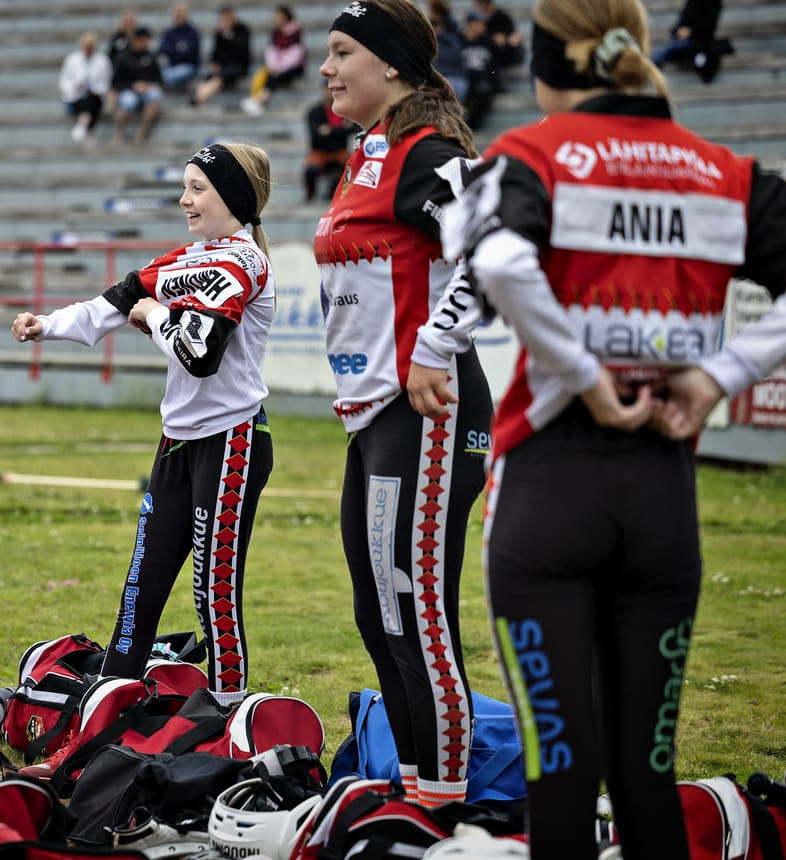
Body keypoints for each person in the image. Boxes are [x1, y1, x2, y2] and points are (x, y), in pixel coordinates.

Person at [440, 0, 786, 854]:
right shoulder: (722, 171)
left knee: (560, 773)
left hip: (549, 492)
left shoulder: (535, 153)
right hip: (664, 493)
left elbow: (499, 260)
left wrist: (587, 377)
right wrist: (716, 377)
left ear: (547, 63)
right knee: (648, 775)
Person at [12, 142, 276, 712]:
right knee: (140, 589)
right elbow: (113, 303)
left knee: (214, 597)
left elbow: (198, 352)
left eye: (197, 188)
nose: (184, 199)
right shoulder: (188, 259)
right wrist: (46, 325)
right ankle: (105, 706)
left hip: (232, 442)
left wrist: (155, 316)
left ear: (232, 195)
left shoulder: (244, 262)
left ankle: (232, 719)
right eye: (184, 187)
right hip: (177, 442)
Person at [315, 0, 492, 809]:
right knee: (376, 610)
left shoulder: (429, 152)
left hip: (428, 408)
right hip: (374, 414)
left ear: (390, 65)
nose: (326, 67)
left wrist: (431, 350)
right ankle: (415, 790)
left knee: (414, 614)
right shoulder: (367, 153)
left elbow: (495, 250)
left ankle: (443, 802)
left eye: (342, 50)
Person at [241, 5, 306, 115]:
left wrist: (280, 67)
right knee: (267, 75)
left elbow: (296, 52)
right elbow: (271, 50)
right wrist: (273, 65)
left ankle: (258, 100)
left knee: (275, 77)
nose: (275, 19)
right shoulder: (275, 32)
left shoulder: (294, 31)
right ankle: (258, 100)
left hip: (294, 66)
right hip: (277, 67)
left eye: (278, 16)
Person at [651, 0, 732, 83]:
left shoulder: (713, 3)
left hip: (700, 41)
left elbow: (708, 26)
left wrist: (690, 32)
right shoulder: (692, 2)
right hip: (683, 42)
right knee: (662, 51)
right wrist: (679, 31)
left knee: (663, 50)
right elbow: (680, 22)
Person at [303, 83, 358, 202]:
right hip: (320, 151)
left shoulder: (344, 110)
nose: (329, 93)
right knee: (310, 171)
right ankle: (310, 195)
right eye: (328, 90)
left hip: (340, 151)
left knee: (352, 166)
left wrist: (329, 131)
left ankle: (334, 195)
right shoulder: (315, 112)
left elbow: (354, 129)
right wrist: (341, 129)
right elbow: (315, 135)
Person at [111, 27, 164, 144]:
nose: (147, 42)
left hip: (147, 90)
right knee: (128, 102)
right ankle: (119, 132)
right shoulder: (123, 58)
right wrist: (133, 86)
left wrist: (149, 86)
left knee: (155, 96)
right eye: (145, 39)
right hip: (129, 90)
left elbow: (160, 79)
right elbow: (116, 82)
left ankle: (141, 132)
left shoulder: (151, 56)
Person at [192, 5, 252, 106]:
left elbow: (241, 51)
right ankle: (196, 97)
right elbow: (215, 53)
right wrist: (215, 64)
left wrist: (228, 35)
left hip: (238, 66)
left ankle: (199, 99)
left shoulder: (243, 30)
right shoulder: (219, 33)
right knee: (208, 77)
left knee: (218, 79)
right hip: (223, 67)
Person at [58, 31, 112, 142]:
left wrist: (94, 88)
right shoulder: (72, 59)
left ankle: (82, 125)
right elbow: (64, 80)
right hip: (76, 96)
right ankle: (89, 131)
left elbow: (106, 81)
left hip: (95, 95)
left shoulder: (102, 60)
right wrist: (74, 86)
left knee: (91, 99)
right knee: (87, 101)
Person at [459, 11, 500, 128]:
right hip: (465, 80)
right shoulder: (458, 40)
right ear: (470, 25)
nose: (483, 26)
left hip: (482, 82)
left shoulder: (488, 41)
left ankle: (470, 123)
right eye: (480, 23)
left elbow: (499, 61)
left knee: (483, 90)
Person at [157, 2, 201, 91]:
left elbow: (188, 53)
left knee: (166, 77)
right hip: (171, 67)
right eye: (177, 12)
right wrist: (177, 49)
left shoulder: (193, 32)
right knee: (160, 73)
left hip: (189, 67)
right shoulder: (169, 32)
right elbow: (162, 50)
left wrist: (173, 50)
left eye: (182, 11)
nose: (179, 14)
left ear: (187, 13)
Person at [470, 0, 525, 66]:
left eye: (478, 4)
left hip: (504, 60)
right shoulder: (476, 20)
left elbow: (509, 39)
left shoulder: (503, 18)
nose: (475, 7)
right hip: (486, 61)